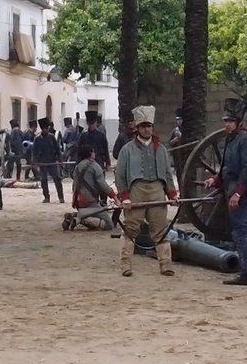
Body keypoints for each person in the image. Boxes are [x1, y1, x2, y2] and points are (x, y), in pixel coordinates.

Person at [114, 106, 177, 277]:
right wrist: (124, 197)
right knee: (130, 229)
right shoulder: (127, 149)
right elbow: (120, 175)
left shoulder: (161, 149)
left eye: (149, 126)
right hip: (137, 190)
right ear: (137, 128)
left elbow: (167, 173)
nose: (146, 129)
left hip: (157, 189)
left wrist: (171, 194)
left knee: (161, 230)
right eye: (143, 126)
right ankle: (125, 265)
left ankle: (165, 264)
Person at [217, 98, 247, 286]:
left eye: (230, 122)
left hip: (241, 191)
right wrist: (216, 180)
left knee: (240, 232)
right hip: (233, 187)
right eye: (226, 121)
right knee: (244, 230)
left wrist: (238, 194)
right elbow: (228, 166)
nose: (227, 125)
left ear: (238, 123)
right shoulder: (232, 139)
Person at [67, 142, 115, 230]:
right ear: (90, 153)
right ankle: (79, 218)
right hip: (90, 202)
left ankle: (77, 216)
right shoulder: (95, 166)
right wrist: (114, 196)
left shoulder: (77, 167)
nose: (94, 154)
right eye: (93, 152)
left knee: (95, 219)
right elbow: (103, 185)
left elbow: (74, 186)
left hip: (78, 201)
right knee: (109, 225)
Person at [31, 118, 64, 203]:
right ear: (42, 129)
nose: (45, 130)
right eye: (44, 129)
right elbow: (34, 151)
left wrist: (60, 160)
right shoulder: (37, 139)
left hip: (52, 161)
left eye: (47, 128)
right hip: (42, 162)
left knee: (57, 179)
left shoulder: (52, 137)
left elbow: (57, 149)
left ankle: (61, 197)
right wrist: (34, 162)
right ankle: (46, 197)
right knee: (44, 180)